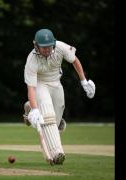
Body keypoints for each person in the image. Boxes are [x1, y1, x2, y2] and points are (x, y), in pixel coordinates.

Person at [23, 29, 95, 165]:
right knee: (48, 114)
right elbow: (31, 87)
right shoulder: (31, 60)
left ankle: (30, 106)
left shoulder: (60, 47)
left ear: (53, 44)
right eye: (44, 47)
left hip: (56, 84)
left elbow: (74, 60)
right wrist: (37, 110)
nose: (47, 49)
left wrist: (84, 81)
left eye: (49, 46)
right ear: (36, 46)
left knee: (55, 122)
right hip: (40, 85)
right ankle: (57, 152)